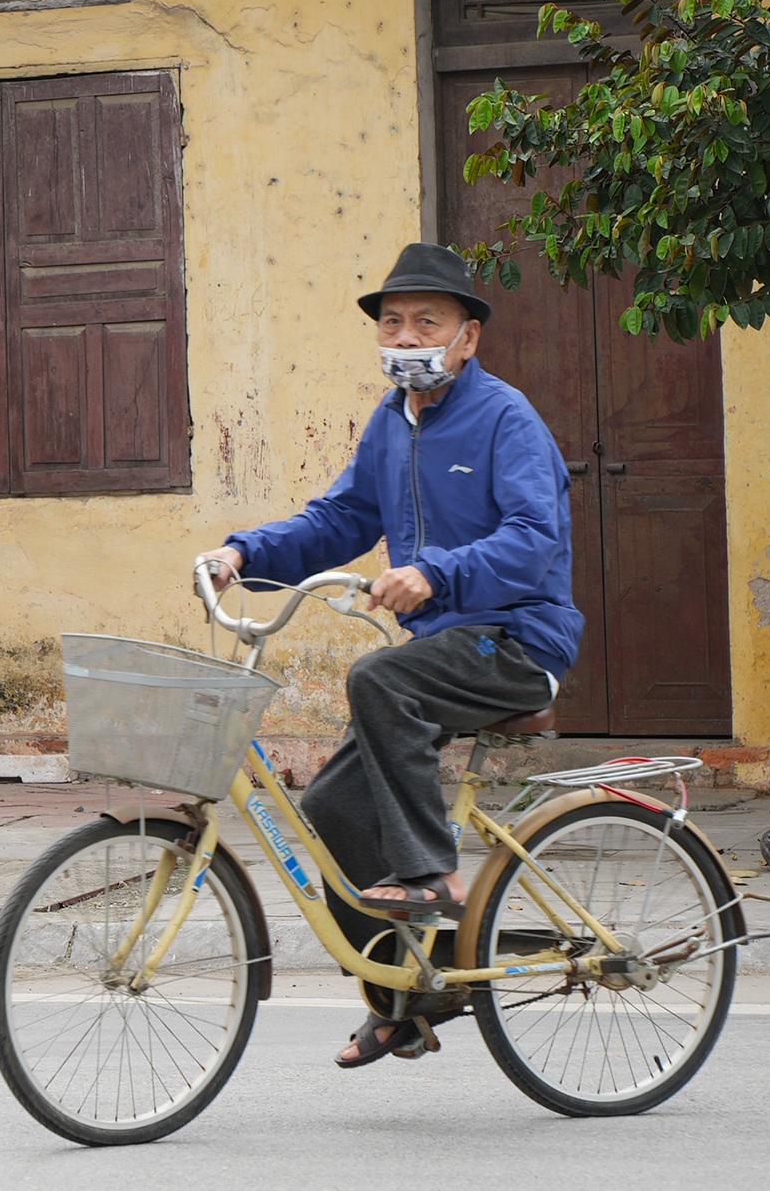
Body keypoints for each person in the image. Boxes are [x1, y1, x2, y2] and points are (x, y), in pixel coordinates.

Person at [196, 241, 583, 1069]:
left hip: (518, 637)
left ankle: (430, 875)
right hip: (446, 646)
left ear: (468, 337)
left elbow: (532, 540)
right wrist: (242, 553)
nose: (406, 339)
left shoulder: (507, 419)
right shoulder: (391, 424)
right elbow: (336, 520)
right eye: (394, 324)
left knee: (378, 675)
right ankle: (405, 999)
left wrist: (433, 570)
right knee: (334, 809)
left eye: (427, 324)